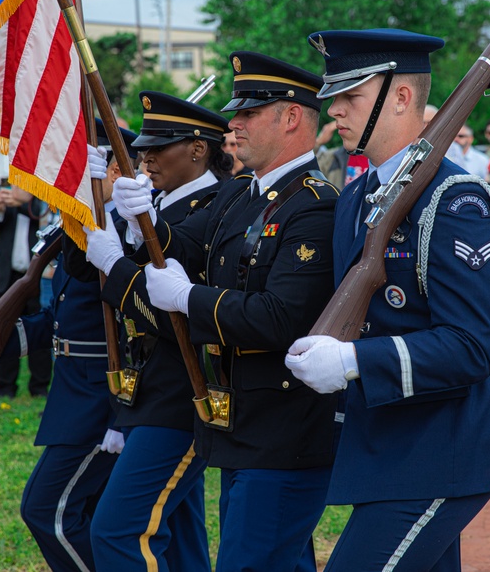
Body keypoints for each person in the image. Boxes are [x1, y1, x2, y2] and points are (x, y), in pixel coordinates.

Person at [286, 28, 490, 571]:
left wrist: (351, 361)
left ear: (401, 96)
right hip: (386, 442)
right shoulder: (356, 197)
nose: (335, 111)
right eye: (334, 98)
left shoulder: (455, 199)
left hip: (443, 448)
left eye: (351, 97)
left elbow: (471, 347)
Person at [104, 51, 340, 572]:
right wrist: (137, 218)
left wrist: (188, 299)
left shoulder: (315, 205)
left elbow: (278, 317)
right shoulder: (239, 197)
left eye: (249, 113)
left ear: (292, 117)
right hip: (238, 428)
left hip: (282, 431)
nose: (233, 123)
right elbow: (182, 247)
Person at [0, 127, 137, 571]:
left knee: (47, 512)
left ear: (113, 170)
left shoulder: (130, 232)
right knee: (89, 516)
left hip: (103, 400)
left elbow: (141, 330)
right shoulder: (78, 226)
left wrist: (122, 416)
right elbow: (65, 318)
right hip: (75, 395)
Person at [82, 92, 233, 571]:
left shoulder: (219, 207)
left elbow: (177, 317)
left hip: (184, 391)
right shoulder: (155, 203)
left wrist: (117, 257)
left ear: (197, 149)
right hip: (152, 388)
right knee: (180, 541)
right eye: (143, 146)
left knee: (119, 532)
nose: (145, 156)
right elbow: (80, 265)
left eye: (159, 146)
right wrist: (96, 202)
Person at [0, 184, 50, 398]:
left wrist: (23, 201)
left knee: (39, 332)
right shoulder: (3, 192)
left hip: (35, 276)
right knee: (3, 330)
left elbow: (41, 214)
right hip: (9, 277)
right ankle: (6, 387)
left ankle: (39, 387)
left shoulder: (41, 194)